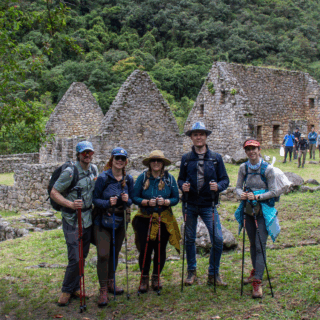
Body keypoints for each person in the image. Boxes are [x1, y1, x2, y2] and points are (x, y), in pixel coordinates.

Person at [178, 121, 229, 287]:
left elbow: (225, 180)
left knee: (218, 239)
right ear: (191, 138)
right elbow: (180, 179)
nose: (198, 137)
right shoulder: (186, 159)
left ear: (206, 137)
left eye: (201, 134)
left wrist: (218, 187)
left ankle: (213, 274)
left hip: (209, 205)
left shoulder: (216, 158)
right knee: (189, 239)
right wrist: (182, 185)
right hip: (190, 204)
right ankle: (191, 272)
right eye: (195, 134)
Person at [50, 141, 98, 306]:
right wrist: (70, 204)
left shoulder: (94, 170)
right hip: (71, 220)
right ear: (78, 154)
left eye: (90, 153)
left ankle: (76, 287)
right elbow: (54, 192)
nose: (87, 155)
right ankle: (66, 290)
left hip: (87, 219)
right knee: (74, 257)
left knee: (82, 257)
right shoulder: (70, 173)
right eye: (84, 153)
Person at [234, 138, 280, 299]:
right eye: (248, 149)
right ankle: (256, 271)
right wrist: (242, 195)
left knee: (260, 245)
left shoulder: (267, 170)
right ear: (245, 152)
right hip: (248, 210)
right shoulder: (243, 168)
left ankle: (258, 282)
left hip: (263, 211)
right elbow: (238, 187)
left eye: (254, 149)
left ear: (259, 150)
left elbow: (274, 191)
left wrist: (257, 196)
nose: (251, 152)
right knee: (253, 244)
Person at [132, 150, 181, 293]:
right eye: (153, 160)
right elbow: (134, 197)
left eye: (159, 161)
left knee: (160, 249)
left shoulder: (169, 179)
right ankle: (144, 277)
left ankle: (156, 277)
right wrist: (146, 202)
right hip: (145, 218)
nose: (156, 163)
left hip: (163, 218)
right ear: (149, 163)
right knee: (145, 249)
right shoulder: (142, 177)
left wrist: (166, 201)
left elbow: (176, 198)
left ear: (162, 164)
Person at [92, 147, 134, 307]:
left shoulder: (128, 179)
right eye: (117, 158)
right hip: (103, 220)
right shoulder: (103, 178)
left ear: (125, 161)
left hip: (121, 221)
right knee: (103, 254)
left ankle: (111, 282)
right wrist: (108, 202)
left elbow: (131, 202)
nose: (120, 161)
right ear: (112, 159)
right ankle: (103, 289)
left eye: (123, 158)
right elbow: (95, 200)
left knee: (115, 254)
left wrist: (127, 199)